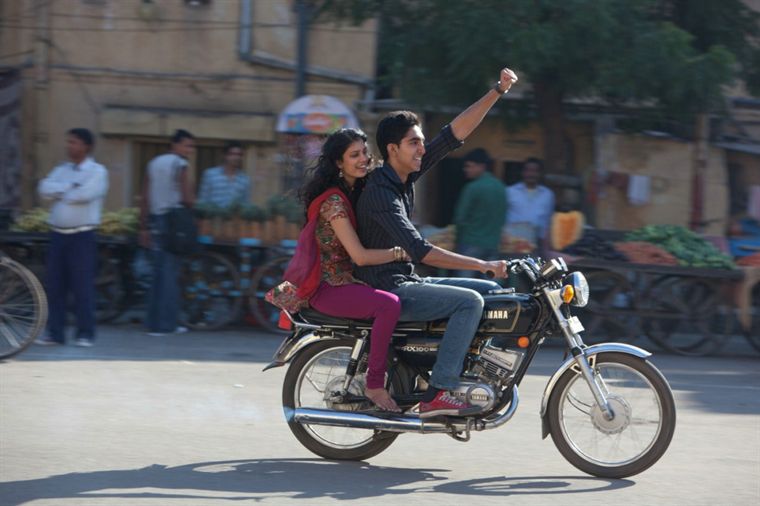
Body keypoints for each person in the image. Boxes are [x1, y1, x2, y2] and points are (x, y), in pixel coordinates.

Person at [355, 67, 517, 418]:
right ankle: (439, 392)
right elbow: (421, 250)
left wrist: (497, 91)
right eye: (415, 142)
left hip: (407, 280)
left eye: (421, 142)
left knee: (493, 294)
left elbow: (453, 134)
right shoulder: (381, 192)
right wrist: (483, 264)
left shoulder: (404, 173)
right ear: (393, 149)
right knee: (469, 302)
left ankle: (471, 372)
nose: (422, 148)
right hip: (387, 288)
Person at [266, 128, 406, 412]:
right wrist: (401, 253)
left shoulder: (354, 191)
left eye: (365, 153)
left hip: (345, 281)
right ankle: (375, 384)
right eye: (354, 155)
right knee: (389, 306)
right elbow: (361, 256)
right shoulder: (334, 203)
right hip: (328, 287)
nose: (363, 159)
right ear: (339, 163)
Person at [36, 128, 109, 347]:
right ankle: (55, 334)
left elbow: (85, 194)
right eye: (68, 142)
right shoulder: (62, 169)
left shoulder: (97, 171)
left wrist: (60, 193)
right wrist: (68, 187)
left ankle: (85, 334)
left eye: (74, 142)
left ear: (86, 146)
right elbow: (43, 188)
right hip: (58, 236)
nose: (69, 146)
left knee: (82, 287)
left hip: (82, 236)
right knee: (56, 286)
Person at [139, 129, 196, 336]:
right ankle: (165, 325)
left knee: (158, 274)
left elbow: (144, 196)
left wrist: (143, 226)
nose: (189, 150)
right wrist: (193, 206)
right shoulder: (179, 164)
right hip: (172, 221)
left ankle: (151, 322)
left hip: (155, 220)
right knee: (170, 275)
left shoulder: (153, 164)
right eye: (187, 145)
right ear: (175, 145)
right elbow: (187, 197)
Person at [453, 148, 506, 278]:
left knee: (465, 285)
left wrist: (456, 241)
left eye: (469, 166)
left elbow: (459, 218)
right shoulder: (500, 187)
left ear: (482, 166)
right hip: (493, 244)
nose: (466, 170)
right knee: (491, 286)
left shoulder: (472, 188)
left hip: (470, 244)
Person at [505, 157, 555, 253]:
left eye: (535, 171)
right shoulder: (510, 191)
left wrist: (547, 245)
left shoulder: (548, 194)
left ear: (540, 174)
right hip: (513, 242)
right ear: (523, 173)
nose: (531, 174)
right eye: (528, 170)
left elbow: (549, 221)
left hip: (538, 243)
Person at [197, 141, 251, 208]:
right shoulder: (210, 175)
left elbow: (245, 204)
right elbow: (202, 201)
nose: (236, 157)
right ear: (225, 155)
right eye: (232, 154)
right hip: (212, 216)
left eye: (239, 155)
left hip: (234, 217)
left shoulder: (244, 179)